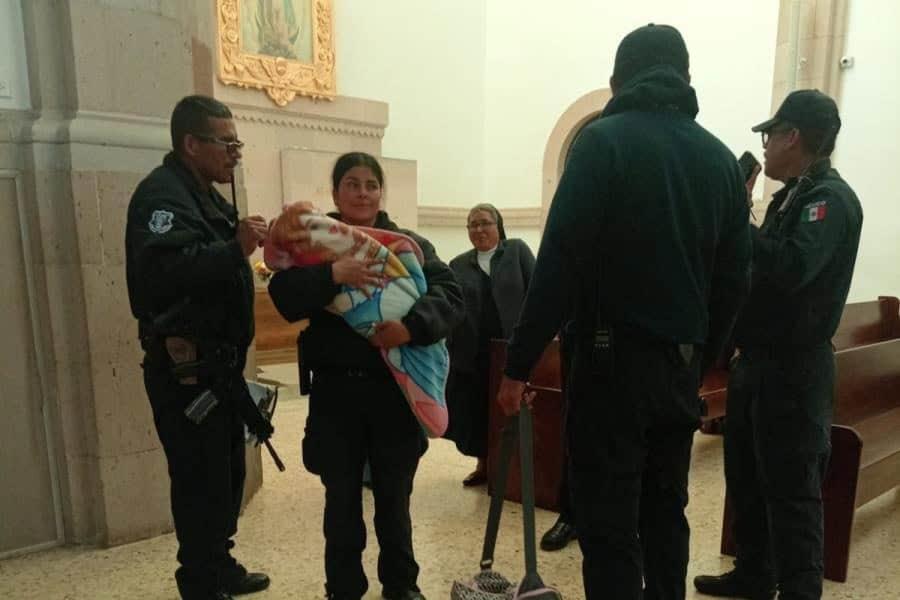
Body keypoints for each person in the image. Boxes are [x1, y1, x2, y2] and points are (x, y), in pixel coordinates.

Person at [497, 24, 753, 600]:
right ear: (686, 78)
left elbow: (559, 264)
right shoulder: (719, 162)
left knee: (609, 524)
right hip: (679, 370)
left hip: (610, 369)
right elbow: (736, 281)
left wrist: (517, 366)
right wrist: (701, 355)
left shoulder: (603, 143)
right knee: (666, 513)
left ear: (618, 80)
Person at [268, 152, 464, 600]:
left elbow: (450, 295)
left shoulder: (404, 244)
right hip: (336, 394)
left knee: (395, 500)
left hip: (392, 393)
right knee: (341, 502)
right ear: (335, 192)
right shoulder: (314, 243)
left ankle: (402, 586)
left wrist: (409, 327)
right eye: (351, 184)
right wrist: (333, 274)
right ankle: (343, 588)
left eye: (370, 184)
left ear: (381, 192)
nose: (361, 192)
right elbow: (283, 295)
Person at [694, 90, 863, 600]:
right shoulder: (795, 193)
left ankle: (798, 591)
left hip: (794, 371)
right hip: (757, 363)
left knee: (792, 493)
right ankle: (753, 574)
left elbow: (790, 269)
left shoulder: (827, 200)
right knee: (746, 478)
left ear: (793, 136)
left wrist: (739, 219)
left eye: (770, 136)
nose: (764, 148)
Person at [125, 95, 275, 600]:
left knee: (227, 474)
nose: (234, 152)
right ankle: (199, 580)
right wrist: (234, 246)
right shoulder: (161, 198)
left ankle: (219, 561)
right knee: (198, 480)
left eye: (238, 142)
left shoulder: (205, 194)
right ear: (192, 143)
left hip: (219, 370)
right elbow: (164, 274)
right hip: (184, 372)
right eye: (225, 142)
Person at [444, 204, 535, 486]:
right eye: (472, 225)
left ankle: (520, 470)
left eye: (485, 223)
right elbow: (451, 307)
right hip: (474, 352)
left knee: (516, 408)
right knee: (479, 409)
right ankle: (485, 465)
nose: (479, 229)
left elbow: (536, 291)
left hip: (512, 349)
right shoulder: (458, 264)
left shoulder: (517, 251)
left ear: (499, 226)